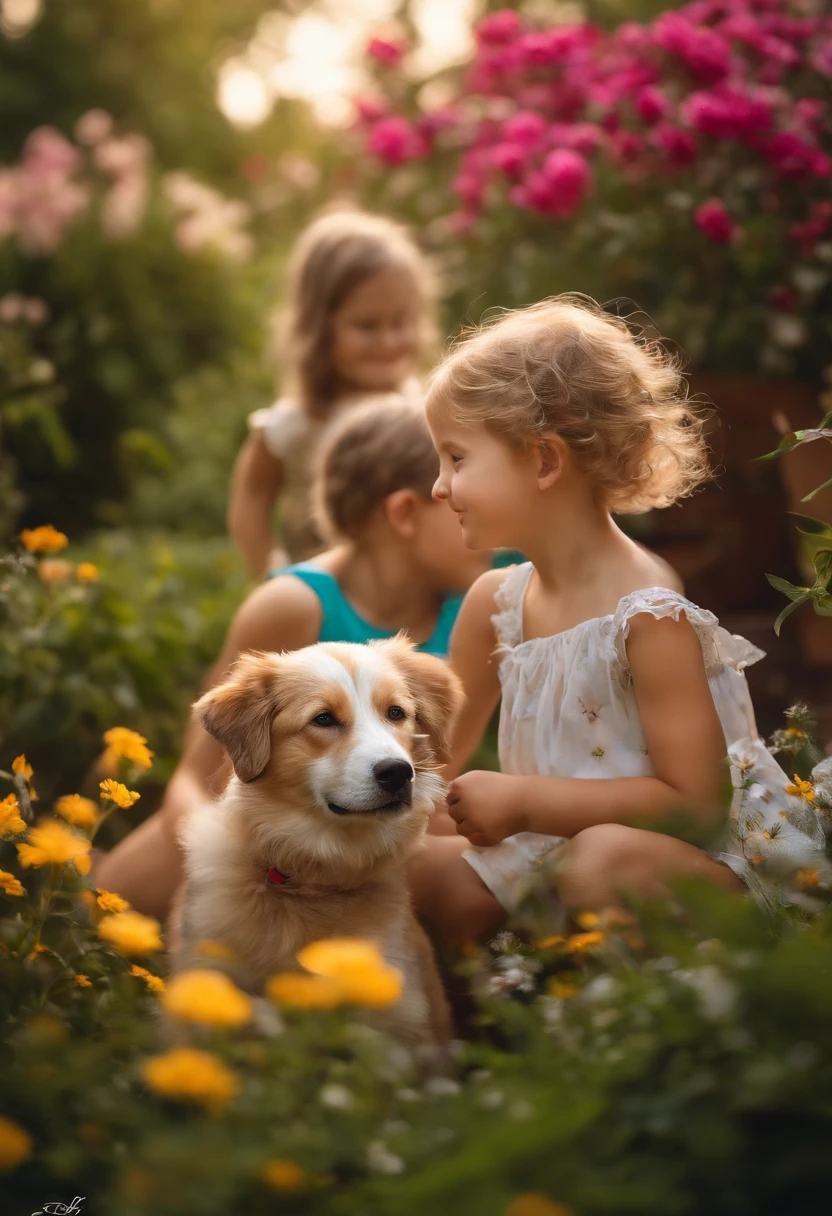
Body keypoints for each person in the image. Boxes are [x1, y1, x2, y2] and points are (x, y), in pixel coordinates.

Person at [409, 296, 830, 943]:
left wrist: (523, 802)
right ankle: (482, 1024)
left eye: (457, 458)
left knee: (601, 861)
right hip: (547, 856)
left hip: (695, 863)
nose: (439, 487)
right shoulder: (495, 604)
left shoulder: (646, 613)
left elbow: (695, 805)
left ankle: (607, 1014)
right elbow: (427, 768)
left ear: (545, 460)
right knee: (403, 862)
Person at [93, 398, 489, 916]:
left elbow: (431, 778)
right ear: (405, 513)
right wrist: (243, 861)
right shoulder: (293, 604)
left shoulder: (474, 612)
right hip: (182, 889)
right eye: (458, 494)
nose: (479, 513)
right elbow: (195, 778)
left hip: (351, 858)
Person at [228, 209, 436, 577]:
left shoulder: (424, 406)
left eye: (400, 322)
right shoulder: (299, 421)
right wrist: (269, 574)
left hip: (417, 597)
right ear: (319, 328)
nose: (388, 342)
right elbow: (252, 496)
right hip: (330, 602)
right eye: (366, 326)